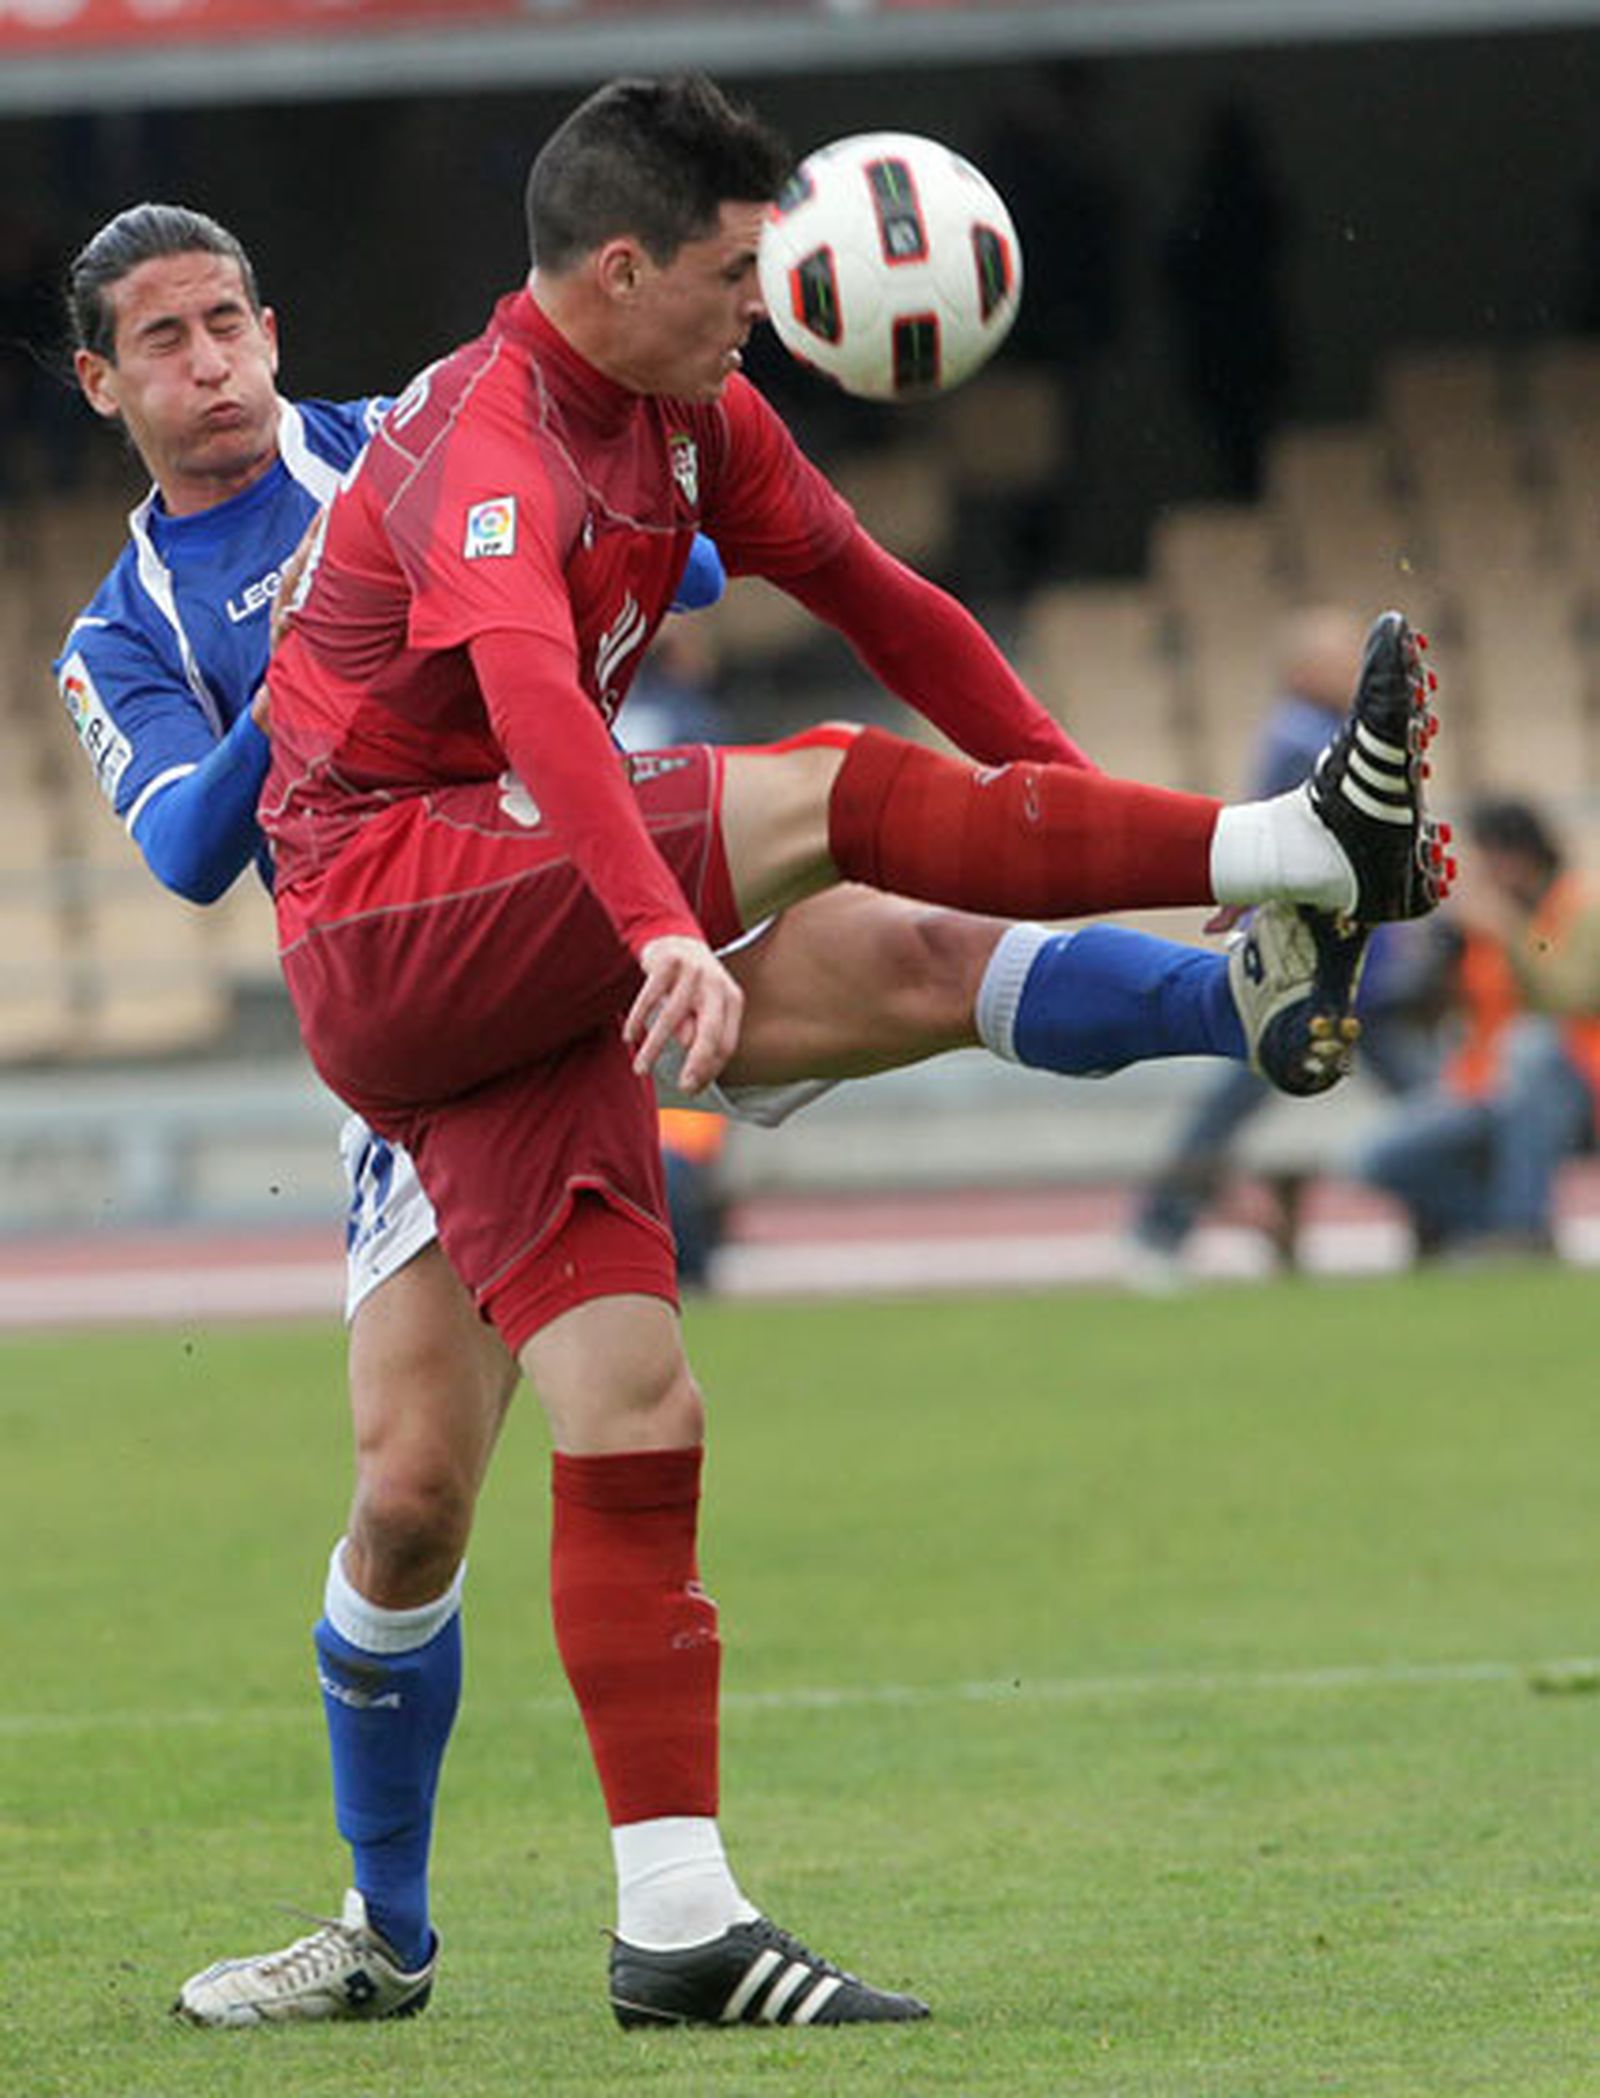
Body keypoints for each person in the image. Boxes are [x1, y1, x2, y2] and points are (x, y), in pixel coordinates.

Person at [56, 152, 1434, 2027]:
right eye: (164, 342)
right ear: (103, 387)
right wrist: (321, 634)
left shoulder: (404, 435)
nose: (210, 361)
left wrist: (496, 550)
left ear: (273, 330)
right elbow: (187, 849)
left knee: (911, 962)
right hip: (428, 965)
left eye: (230, 321)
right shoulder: (120, 630)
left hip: (596, 877)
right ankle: (383, 1928)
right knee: (407, 1503)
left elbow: (677, 548)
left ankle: (1244, 982)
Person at [1127, 608, 1441, 1284]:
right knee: (1425, 1102)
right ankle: (1159, 1226)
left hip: (1342, 963)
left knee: (1243, 1101)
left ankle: (1161, 1225)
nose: (1350, 674)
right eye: (1336, 660)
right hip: (1320, 963)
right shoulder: (1307, 741)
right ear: (1301, 671)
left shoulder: (1308, 735)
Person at [1356, 795, 1600, 1260]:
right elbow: (1427, 1012)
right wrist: (1435, 957)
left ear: (1520, 854)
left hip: (1576, 1083)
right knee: (1377, 1158)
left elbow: (1572, 996)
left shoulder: (1582, 907)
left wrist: (1509, 932)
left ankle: (1521, 1226)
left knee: (1530, 1047)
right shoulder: (1477, 924)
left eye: (1491, 857)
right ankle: (1494, 1227)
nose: (1485, 871)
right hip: (1485, 1085)